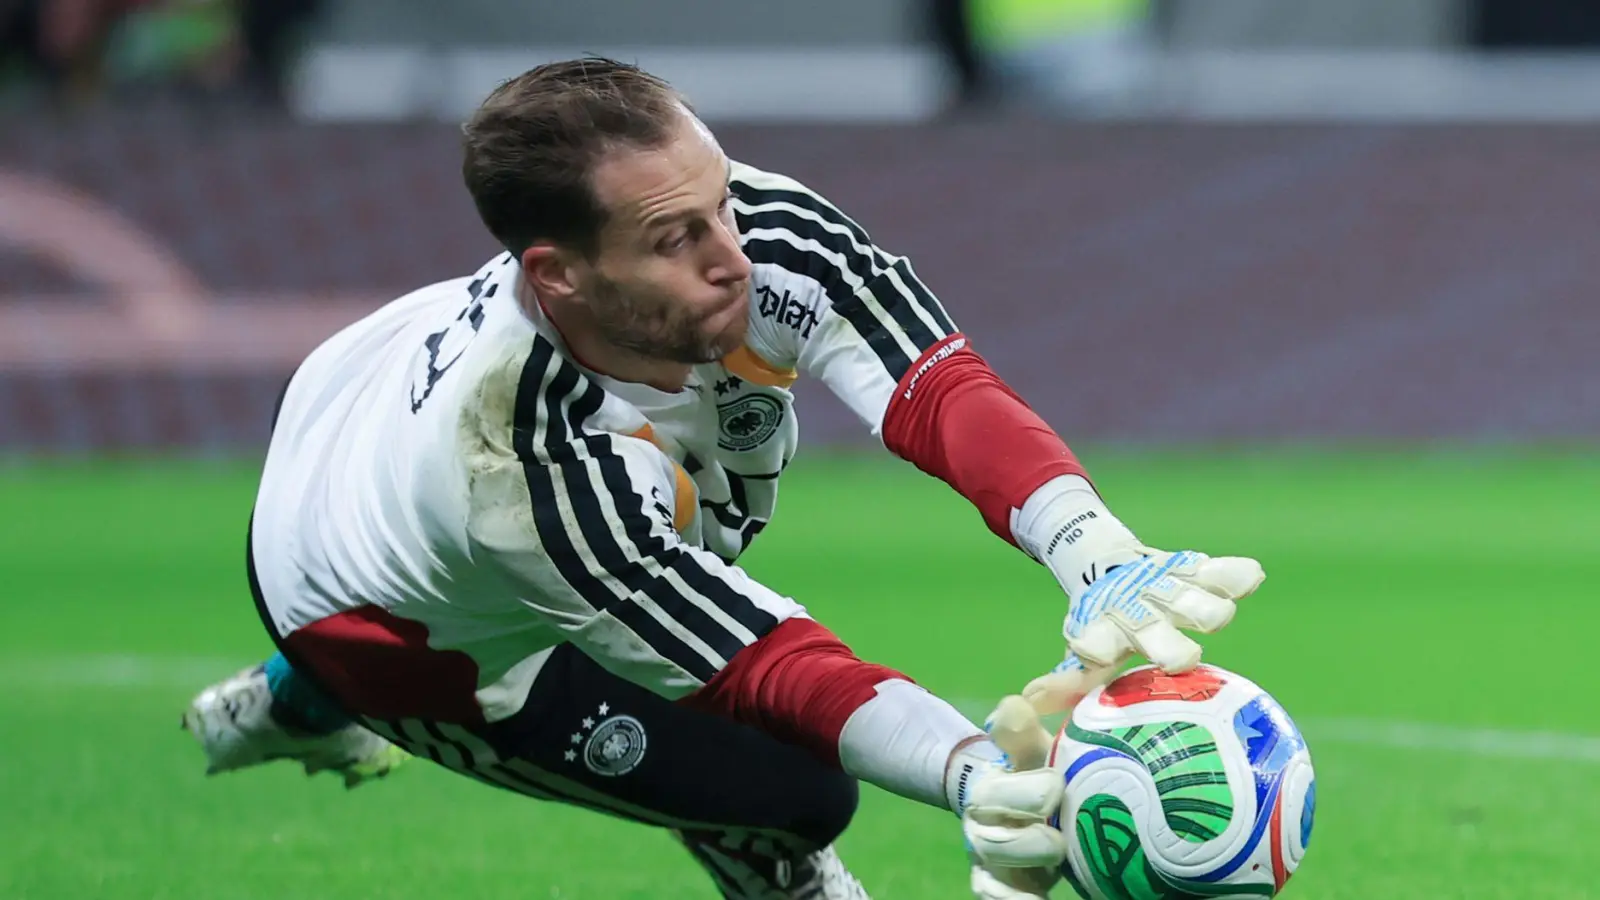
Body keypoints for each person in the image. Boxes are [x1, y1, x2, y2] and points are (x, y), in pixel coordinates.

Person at [180, 57, 1265, 899]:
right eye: (674, 238)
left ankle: (294, 700)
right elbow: (750, 662)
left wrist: (1092, 547)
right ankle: (316, 693)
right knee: (794, 790)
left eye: (719, 201)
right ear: (557, 275)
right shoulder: (517, 465)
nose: (734, 255)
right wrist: (975, 774)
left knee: (690, 537)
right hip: (364, 614)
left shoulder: (754, 224)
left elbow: (933, 386)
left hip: (361, 393)